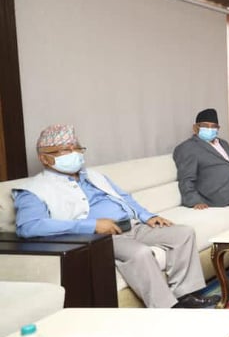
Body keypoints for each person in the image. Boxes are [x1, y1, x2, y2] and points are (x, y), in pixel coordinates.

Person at [13, 124, 217, 308]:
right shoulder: (33, 189)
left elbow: (124, 197)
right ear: (44, 158)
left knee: (183, 233)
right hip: (99, 238)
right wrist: (92, 226)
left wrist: (147, 216)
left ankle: (186, 295)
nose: (74, 153)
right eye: (66, 150)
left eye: (77, 148)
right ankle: (167, 309)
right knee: (140, 253)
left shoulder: (95, 176)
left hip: (133, 226)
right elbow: (29, 227)